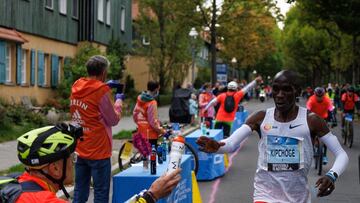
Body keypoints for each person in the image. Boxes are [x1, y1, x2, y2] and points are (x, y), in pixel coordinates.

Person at [197, 70, 349, 202]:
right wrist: (217, 146)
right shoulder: (260, 118)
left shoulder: (312, 120)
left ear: (297, 90)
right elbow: (230, 143)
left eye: (286, 90)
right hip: (264, 195)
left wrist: (332, 175)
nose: (280, 95)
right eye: (276, 89)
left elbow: (341, 154)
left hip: (298, 197)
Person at [11, 124, 181, 203]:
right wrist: (152, 196)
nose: (73, 163)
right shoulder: (45, 201)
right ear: (55, 168)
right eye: (71, 158)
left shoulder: (16, 186)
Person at [69, 55, 123, 203]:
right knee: (100, 192)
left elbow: (89, 100)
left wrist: (105, 86)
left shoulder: (76, 86)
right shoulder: (101, 91)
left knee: (80, 190)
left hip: (81, 146)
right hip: (99, 150)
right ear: (104, 72)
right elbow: (113, 119)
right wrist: (118, 100)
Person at [306, 87, 336, 164]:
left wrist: (334, 120)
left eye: (321, 96)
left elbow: (331, 110)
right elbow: (308, 110)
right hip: (313, 118)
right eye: (317, 96)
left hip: (323, 119)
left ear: (324, 95)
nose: (319, 98)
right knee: (310, 134)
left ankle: (324, 156)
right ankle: (311, 149)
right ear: (315, 95)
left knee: (326, 138)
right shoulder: (311, 100)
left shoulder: (327, 100)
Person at [133, 81, 166, 148]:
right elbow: (153, 121)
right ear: (156, 89)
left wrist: (139, 123)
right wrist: (161, 130)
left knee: (144, 154)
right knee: (152, 156)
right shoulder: (152, 103)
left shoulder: (140, 99)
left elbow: (135, 114)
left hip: (140, 131)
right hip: (150, 134)